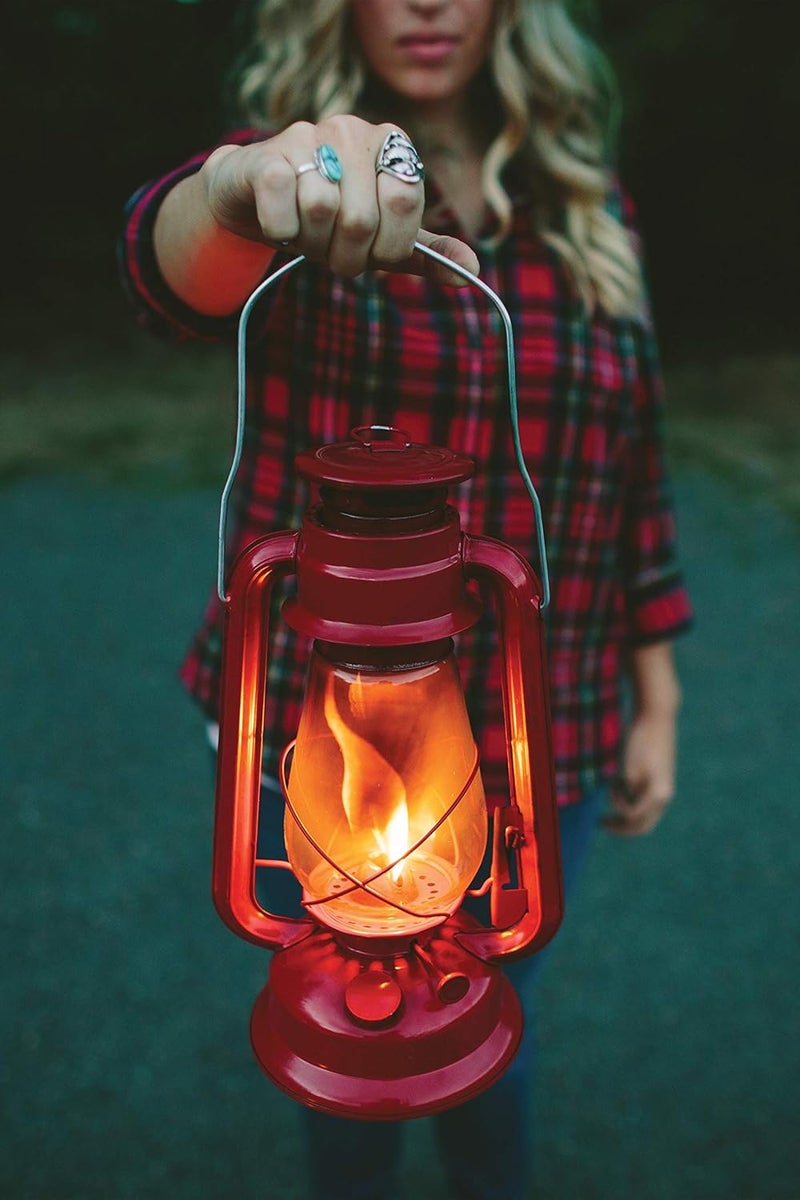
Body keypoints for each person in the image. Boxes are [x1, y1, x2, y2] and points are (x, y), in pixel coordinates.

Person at [121, 1, 693, 1196]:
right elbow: (173, 265)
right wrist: (236, 189)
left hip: (554, 721)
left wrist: (658, 688)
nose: (426, 3)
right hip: (309, 736)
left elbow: (627, 457)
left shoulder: (586, 203)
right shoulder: (302, 180)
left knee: (488, 1030)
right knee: (351, 1046)